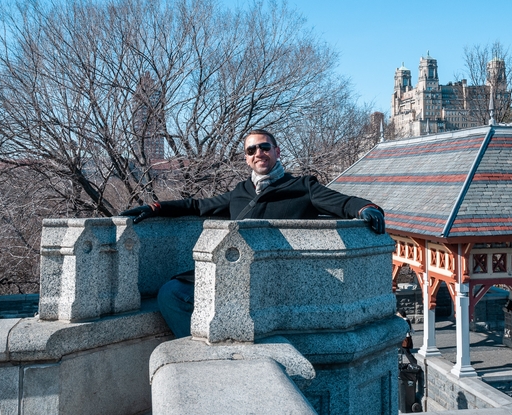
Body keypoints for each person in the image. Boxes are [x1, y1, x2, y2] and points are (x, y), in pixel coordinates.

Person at [121, 129, 387, 338]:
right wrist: (155, 207)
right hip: (231, 271)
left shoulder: (302, 186)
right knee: (171, 293)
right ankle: (202, 355)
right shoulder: (241, 191)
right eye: (252, 149)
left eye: (264, 147)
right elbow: (198, 206)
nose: (258, 152)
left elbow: (339, 201)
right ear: (247, 158)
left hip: (272, 278)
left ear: (276, 151)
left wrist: (366, 208)